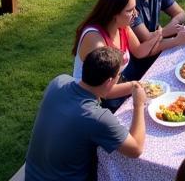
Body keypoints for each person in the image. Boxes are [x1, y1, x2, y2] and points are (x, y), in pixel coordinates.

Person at [24, 47, 145, 181]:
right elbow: (136, 149)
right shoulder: (97, 117)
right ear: (109, 81)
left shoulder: (59, 82)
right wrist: (138, 105)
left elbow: (102, 91)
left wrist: (132, 85)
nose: (119, 79)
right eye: (119, 76)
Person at [71, 0, 161, 103]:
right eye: (130, 10)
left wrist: (159, 34)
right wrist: (136, 86)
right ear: (114, 13)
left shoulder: (122, 27)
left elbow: (139, 51)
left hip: (113, 86)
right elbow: (103, 91)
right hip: (89, 99)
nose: (136, 13)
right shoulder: (95, 40)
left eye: (135, 8)